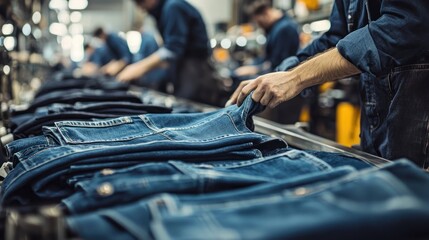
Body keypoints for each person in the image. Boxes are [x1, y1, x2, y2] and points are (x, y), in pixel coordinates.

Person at [227, 0, 429, 168]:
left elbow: (404, 27)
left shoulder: (284, 28)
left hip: (416, 119)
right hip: (376, 118)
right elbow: (337, 37)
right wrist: (283, 73)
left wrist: (297, 78)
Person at [117, 0, 222, 106]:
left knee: (190, 109)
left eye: (141, 3)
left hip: (195, 72)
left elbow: (173, 49)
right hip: (187, 70)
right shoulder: (166, 9)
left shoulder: (173, 6)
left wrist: (138, 68)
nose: (141, 8)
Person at [234, 0, 300, 78]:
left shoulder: (285, 29)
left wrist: (255, 69)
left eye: (260, 22)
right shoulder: (275, 28)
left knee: (239, 78)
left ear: (266, 13)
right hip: (275, 72)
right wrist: (252, 64)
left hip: (281, 77)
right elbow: (268, 58)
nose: (260, 26)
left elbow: (278, 64)